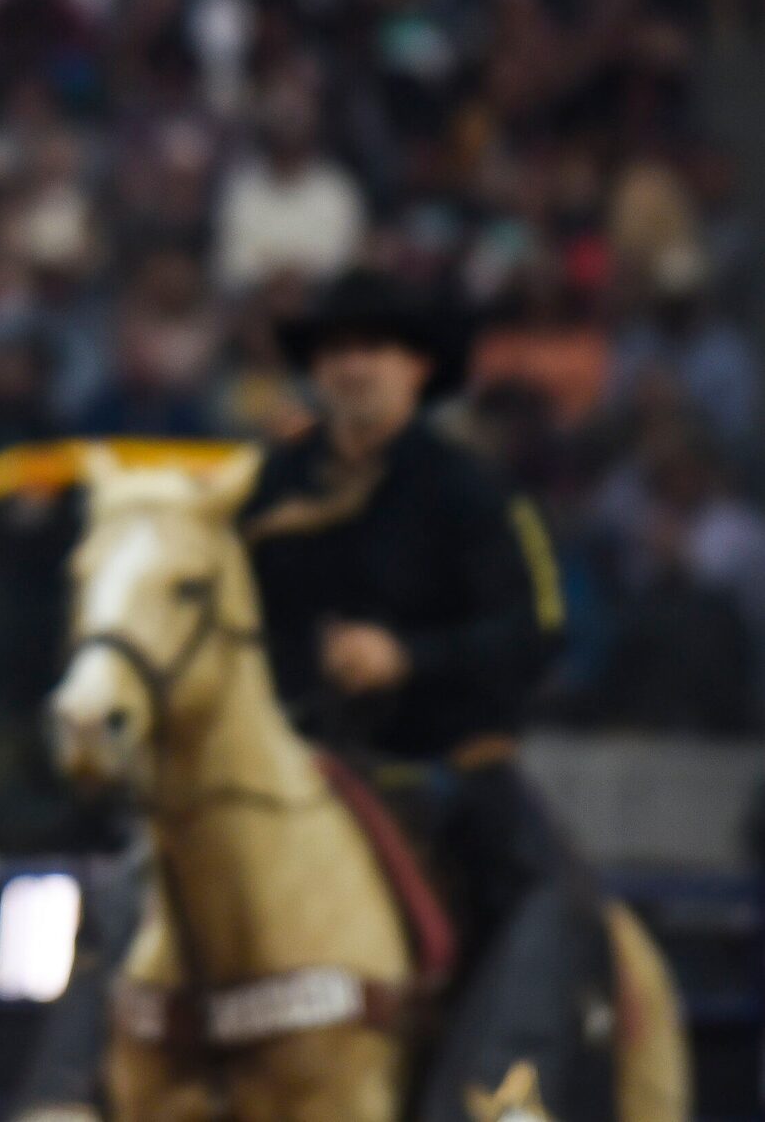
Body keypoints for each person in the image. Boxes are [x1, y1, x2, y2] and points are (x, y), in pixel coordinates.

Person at [241, 269, 595, 1122]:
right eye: (334, 349)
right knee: (140, 873)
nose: (352, 365)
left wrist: (411, 659)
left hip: (448, 766)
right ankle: (72, 1095)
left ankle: (508, 1091)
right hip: (301, 771)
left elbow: (539, 629)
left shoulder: (470, 488)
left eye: (373, 347)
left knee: (549, 890)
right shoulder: (269, 487)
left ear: (416, 368)